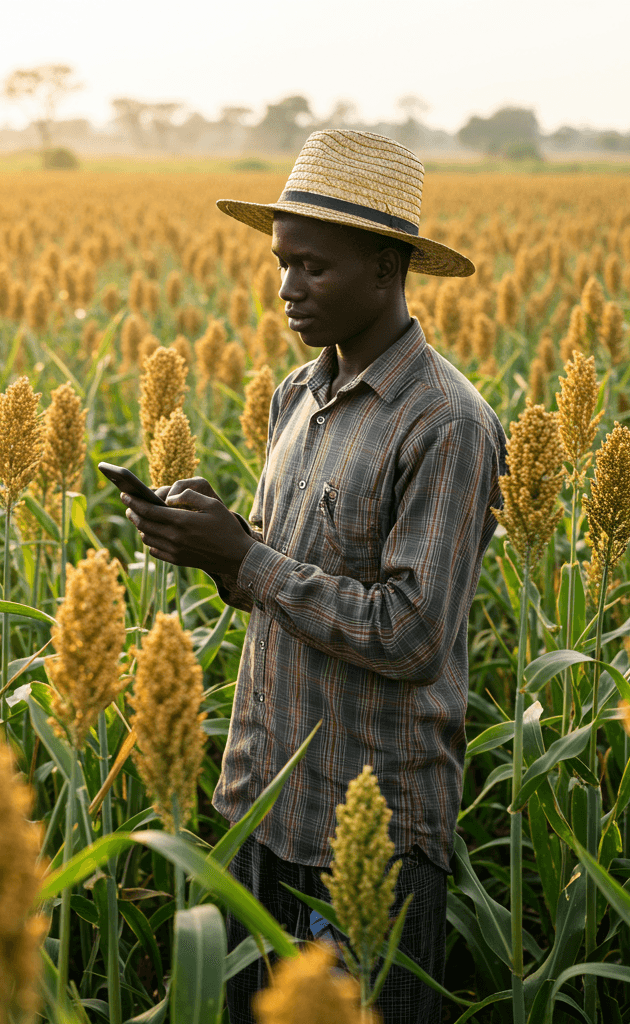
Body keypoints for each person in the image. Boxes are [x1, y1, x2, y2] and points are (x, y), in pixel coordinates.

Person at [122, 129, 506, 1023]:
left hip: (368, 826)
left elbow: (410, 634)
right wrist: (213, 543)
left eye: (314, 269)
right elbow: (287, 572)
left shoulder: (447, 423)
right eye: (282, 264)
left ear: (386, 267)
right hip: (264, 801)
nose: (288, 290)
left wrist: (245, 559)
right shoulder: (295, 395)